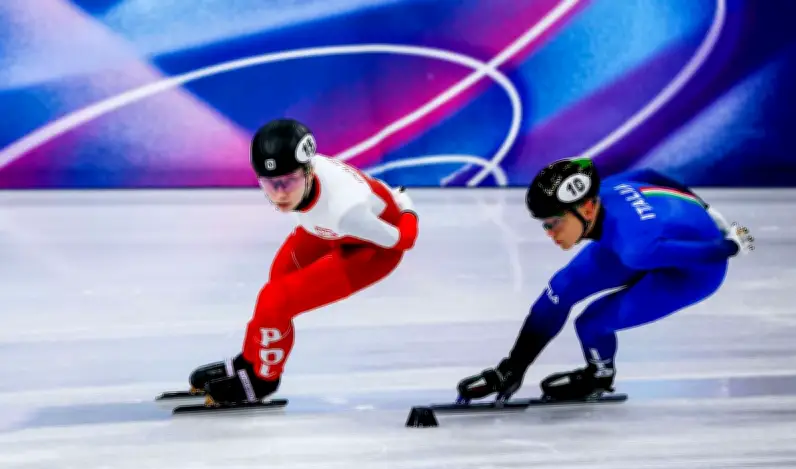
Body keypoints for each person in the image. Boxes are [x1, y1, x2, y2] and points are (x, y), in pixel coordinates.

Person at [458, 157, 754, 403]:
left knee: (592, 322)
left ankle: (599, 375)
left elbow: (712, 254)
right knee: (560, 290)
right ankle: (510, 371)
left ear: (587, 209)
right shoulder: (608, 190)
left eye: (555, 222)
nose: (549, 233)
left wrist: (732, 243)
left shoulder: (637, 248)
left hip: (693, 269)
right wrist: (703, 207)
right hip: (645, 238)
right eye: (544, 224)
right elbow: (646, 173)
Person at [188, 119, 419, 405]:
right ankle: (250, 360)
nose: (281, 193)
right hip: (328, 230)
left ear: (309, 172)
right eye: (270, 184)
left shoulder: (346, 210)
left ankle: (263, 380)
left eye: (289, 181)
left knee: (277, 299)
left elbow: (403, 240)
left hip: (372, 250)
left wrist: (407, 206)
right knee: (275, 284)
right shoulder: (307, 177)